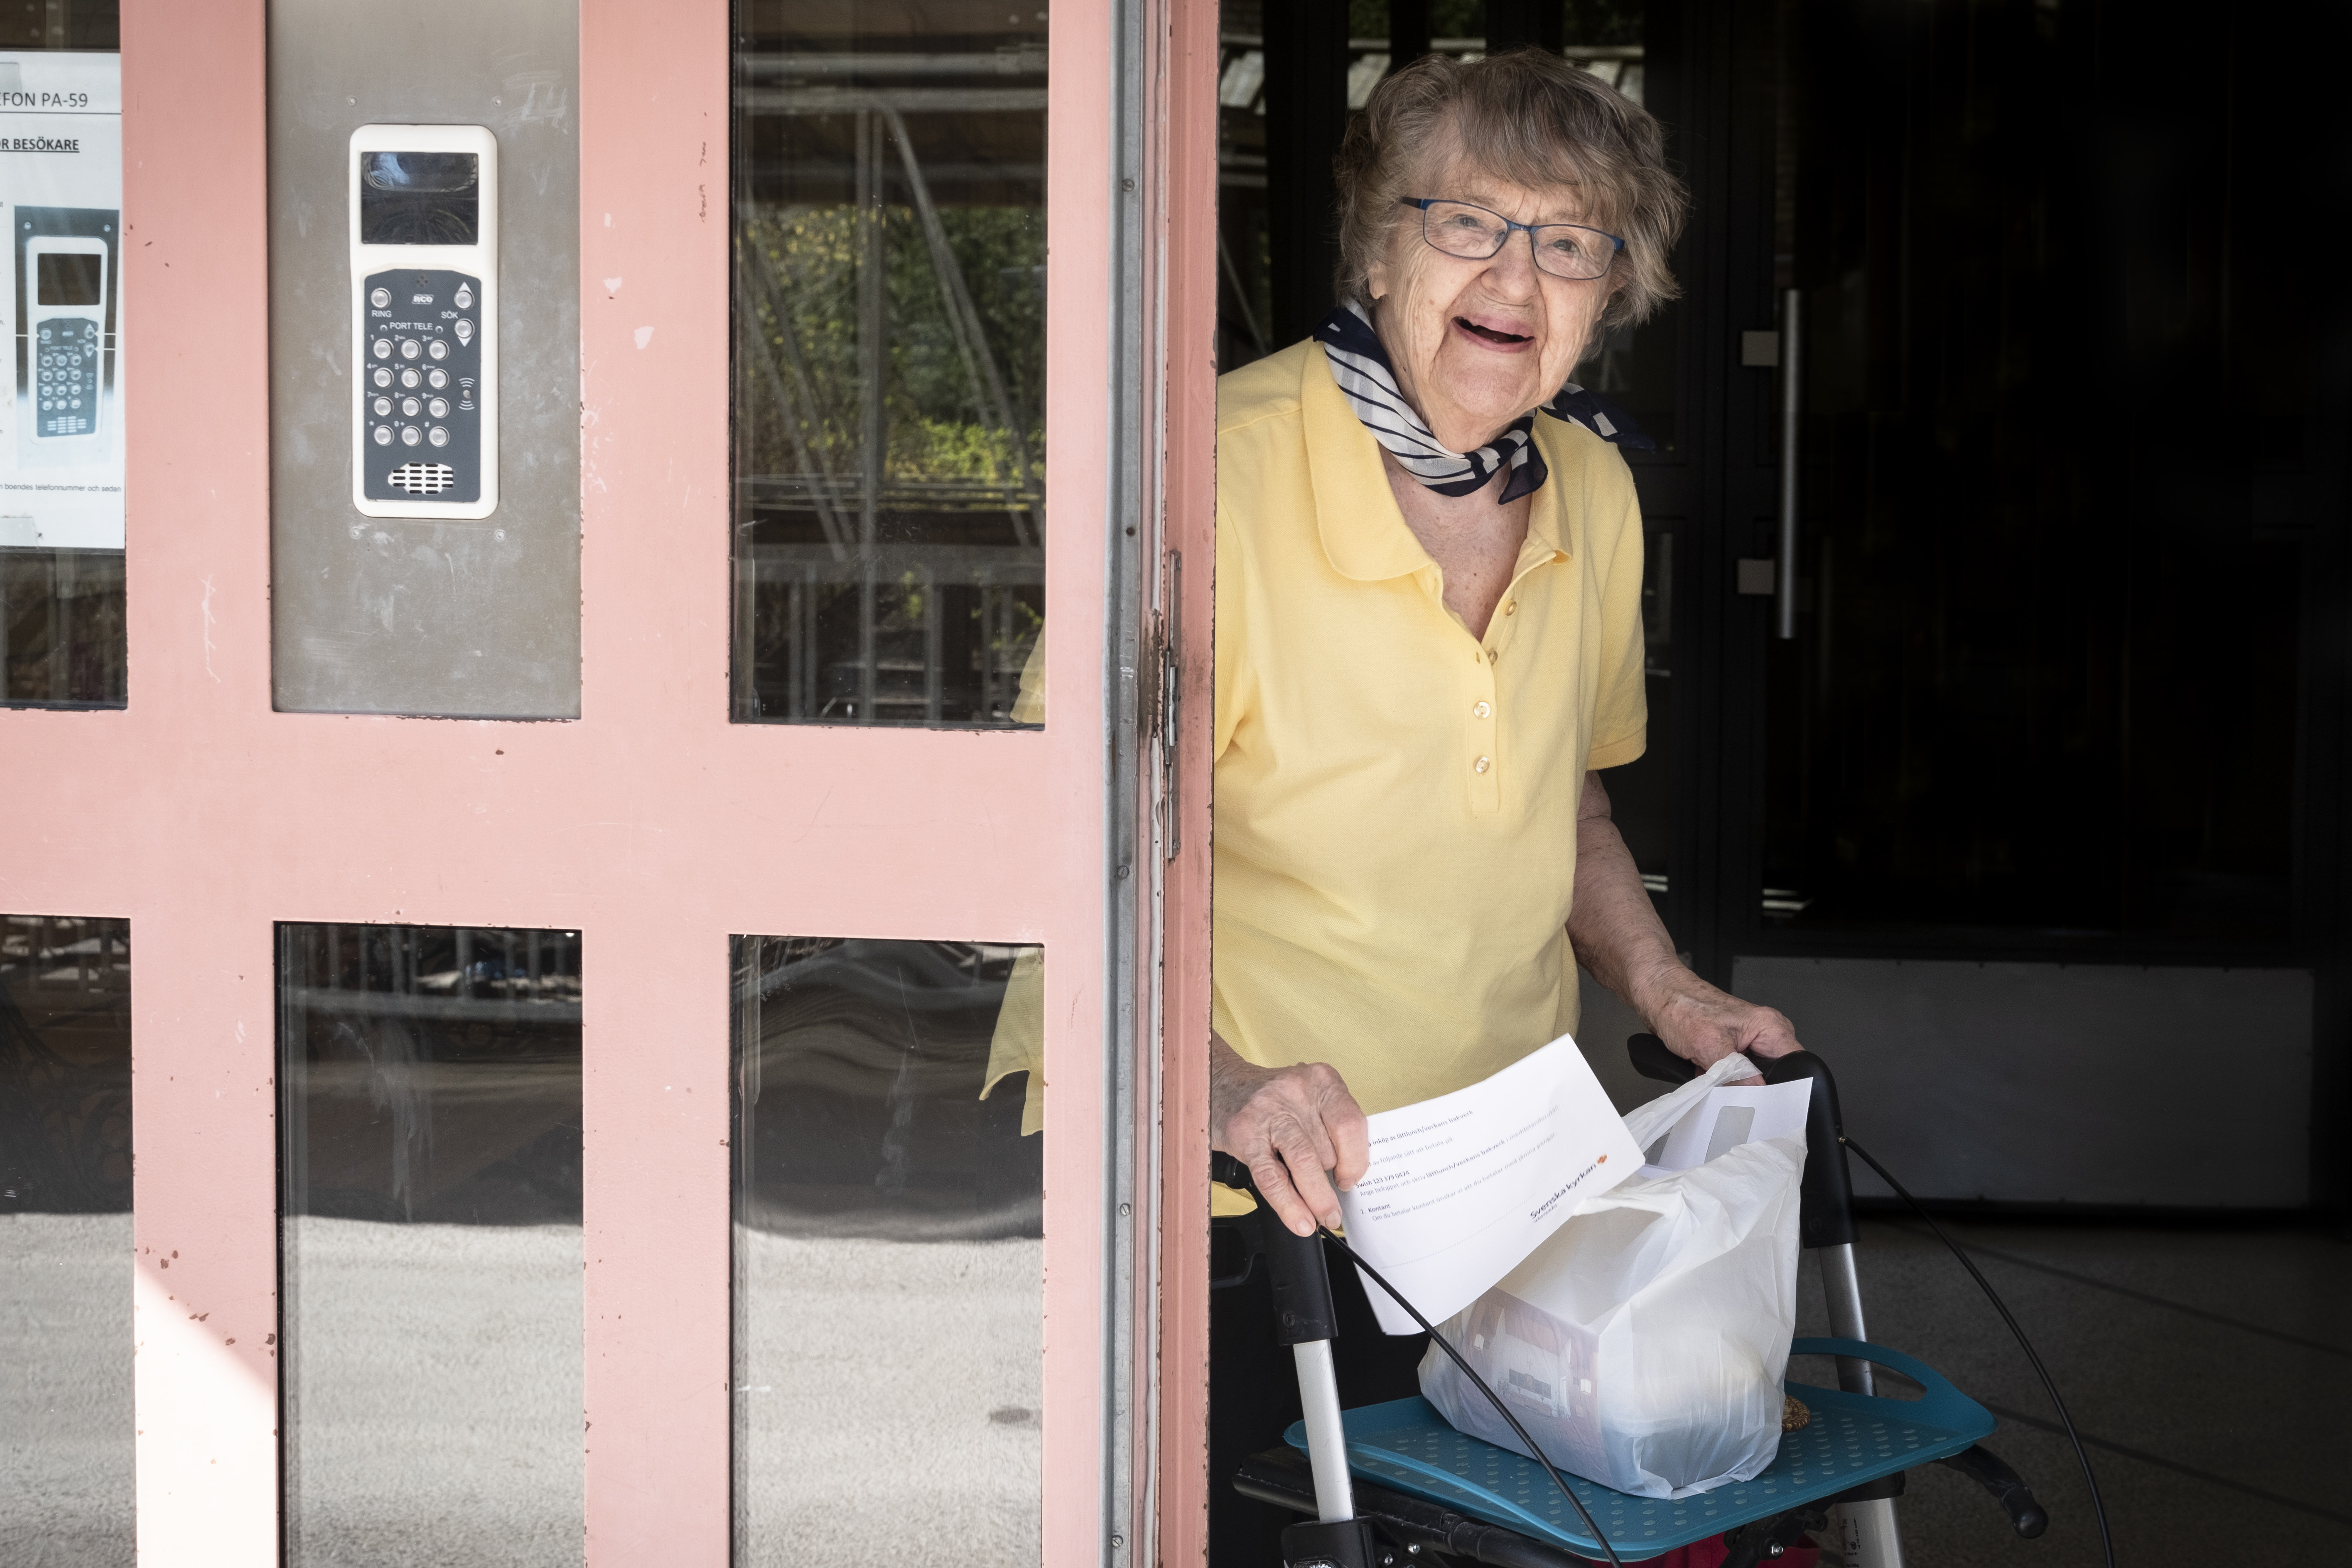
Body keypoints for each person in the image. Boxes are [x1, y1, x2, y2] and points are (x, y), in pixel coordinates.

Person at [1206, 48, 1807, 1559]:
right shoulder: (1212, 466)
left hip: (1513, 1179)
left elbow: (1572, 801)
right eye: (1468, 222)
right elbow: (1054, 846)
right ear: (1376, 244)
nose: (1517, 274)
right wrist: (1213, 1083)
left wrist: (1666, 992)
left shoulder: (1591, 488)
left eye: (1572, 241)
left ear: (1615, 290)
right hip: (1262, 1175)